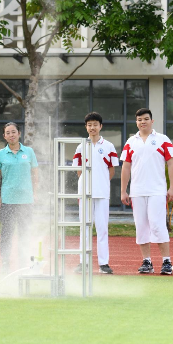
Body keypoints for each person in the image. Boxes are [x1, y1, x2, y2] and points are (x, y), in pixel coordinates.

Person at [120, 108, 173, 275]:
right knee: (141, 226)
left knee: (158, 225)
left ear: (152, 121)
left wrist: (172, 187)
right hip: (137, 192)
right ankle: (147, 262)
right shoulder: (131, 142)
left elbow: (171, 163)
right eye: (139, 119)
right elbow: (126, 167)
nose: (142, 122)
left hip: (157, 191)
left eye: (146, 119)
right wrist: (124, 191)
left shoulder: (162, 139)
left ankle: (166, 261)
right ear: (136, 122)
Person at [72, 112, 119, 275]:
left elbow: (111, 170)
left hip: (102, 194)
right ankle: (82, 263)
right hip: (84, 194)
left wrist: (102, 183)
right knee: (84, 228)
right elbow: (78, 170)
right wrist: (86, 185)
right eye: (89, 125)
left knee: (102, 228)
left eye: (95, 124)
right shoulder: (80, 146)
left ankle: (103, 263)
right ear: (86, 127)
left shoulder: (109, 146)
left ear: (101, 126)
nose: (92, 127)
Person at [0, 121, 38, 273]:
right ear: (4, 136)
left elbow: (35, 174)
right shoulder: (0, 154)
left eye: (14, 132)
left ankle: (23, 261)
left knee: (25, 231)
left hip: (26, 200)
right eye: (8, 133)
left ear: (19, 133)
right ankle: (5, 261)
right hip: (8, 199)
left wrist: (35, 193)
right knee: (7, 231)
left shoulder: (29, 152)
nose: (11, 135)